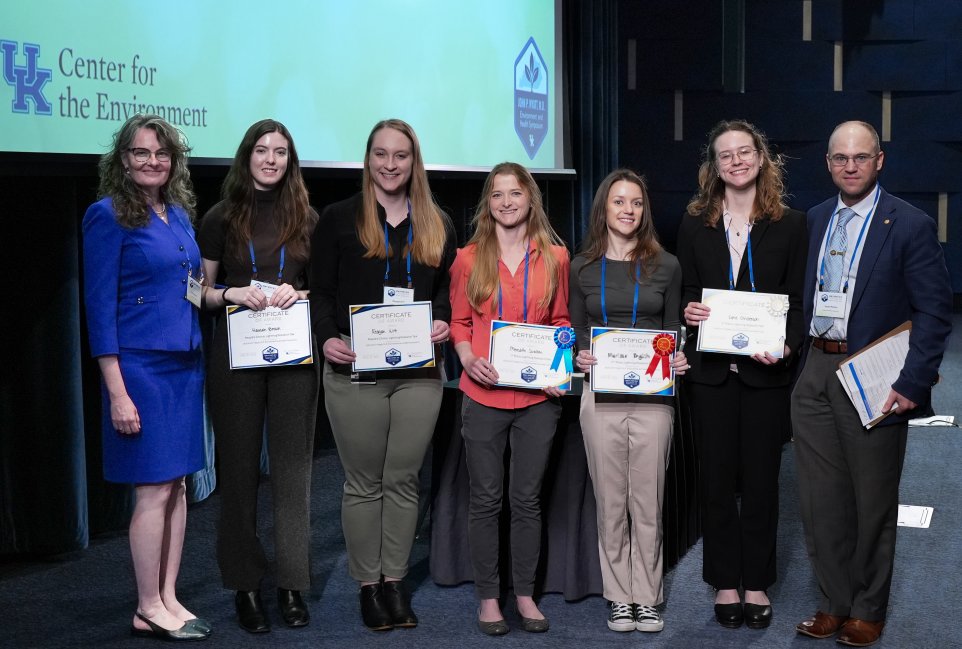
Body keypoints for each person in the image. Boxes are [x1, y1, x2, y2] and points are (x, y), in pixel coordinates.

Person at [791, 121, 952, 648]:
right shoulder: (814, 219)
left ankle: (867, 608)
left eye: (861, 157)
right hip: (815, 368)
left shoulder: (909, 224)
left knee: (873, 499)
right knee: (820, 500)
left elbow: (934, 311)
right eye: (840, 158)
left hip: (873, 377)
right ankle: (833, 603)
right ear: (829, 164)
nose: (850, 166)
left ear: (879, 161)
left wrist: (912, 382)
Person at [310, 118, 456, 631]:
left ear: (414, 162)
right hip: (354, 372)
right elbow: (321, 291)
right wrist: (326, 336)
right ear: (367, 158)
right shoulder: (338, 218)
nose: (390, 164)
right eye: (381, 154)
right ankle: (367, 586)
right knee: (363, 482)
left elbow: (444, 291)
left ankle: (395, 582)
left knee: (403, 479)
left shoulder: (438, 222)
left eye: (401, 155)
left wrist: (441, 317)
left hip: (418, 374)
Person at [82, 114, 210, 642]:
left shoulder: (177, 214)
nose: (152, 161)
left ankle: (169, 596)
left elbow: (194, 286)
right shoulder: (107, 215)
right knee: (153, 491)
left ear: (173, 161)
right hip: (140, 369)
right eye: (140, 153)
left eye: (161, 154)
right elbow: (98, 307)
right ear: (123, 160)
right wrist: (117, 392)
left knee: (178, 486)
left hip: (185, 363)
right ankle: (147, 604)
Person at [676, 119, 807, 630]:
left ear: (761, 157)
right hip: (710, 375)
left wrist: (788, 345)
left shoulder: (790, 223)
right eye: (725, 154)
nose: (736, 161)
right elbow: (688, 290)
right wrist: (690, 310)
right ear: (714, 166)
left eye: (744, 151)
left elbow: (798, 301)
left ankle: (756, 582)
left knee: (761, 482)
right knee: (716, 482)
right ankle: (724, 582)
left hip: (765, 373)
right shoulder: (693, 224)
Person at [197, 119, 319, 633]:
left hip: (294, 354)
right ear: (246, 156)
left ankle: (292, 585)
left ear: (290, 161)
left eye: (281, 152)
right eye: (262, 150)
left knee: (294, 473)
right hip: (235, 354)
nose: (271, 159)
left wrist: (301, 293)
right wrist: (229, 293)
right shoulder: (219, 217)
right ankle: (245, 587)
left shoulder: (308, 218)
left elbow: (322, 289)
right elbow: (197, 291)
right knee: (241, 471)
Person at [449, 161, 571, 636]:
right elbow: (459, 322)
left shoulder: (556, 257)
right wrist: (465, 357)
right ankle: (488, 598)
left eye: (515, 193)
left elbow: (561, 322)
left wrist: (558, 364)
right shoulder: (468, 258)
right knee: (485, 500)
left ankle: (523, 594)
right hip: (483, 394)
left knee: (527, 500)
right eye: (497, 194)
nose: (506, 202)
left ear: (530, 199)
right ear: (488, 202)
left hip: (538, 400)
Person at [569, 169, 689, 633]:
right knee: (611, 502)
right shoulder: (581, 266)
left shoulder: (667, 265)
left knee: (648, 502)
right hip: (600, 399)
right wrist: (579, 353)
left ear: (645, 210)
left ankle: (648, 596)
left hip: (654, 399)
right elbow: (578, 331)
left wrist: (679, 357)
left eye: (636, 203)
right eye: (619, 202)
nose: (628, 210)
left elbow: (674, 331)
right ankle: (620, 597)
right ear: (604, 208)